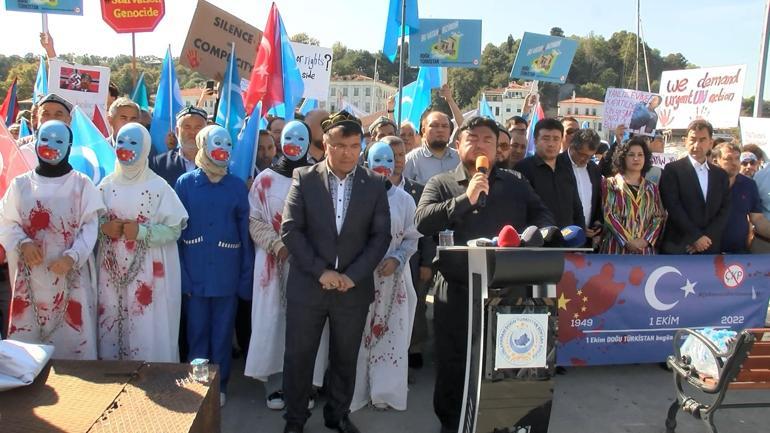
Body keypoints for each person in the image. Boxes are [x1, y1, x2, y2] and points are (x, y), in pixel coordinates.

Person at [415, 116, 554, 433]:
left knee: (502, 361)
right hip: (457, 291)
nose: (480, 145)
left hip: (506, 290)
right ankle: (451, 424)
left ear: (497, 149)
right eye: (472, 138)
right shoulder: (441, 183)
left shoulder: (516, 182)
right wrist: (467, 198)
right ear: (458, 144)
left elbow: (542, 215)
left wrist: (537, 234)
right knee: (454, 364)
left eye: (487, 140)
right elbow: (422, 221)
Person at [280, 111, 391, 433]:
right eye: (340, 145)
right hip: (309, 286)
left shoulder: (373, 183)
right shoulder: (304, 178)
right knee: (299, 357)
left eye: (355, 146)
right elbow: (291, 231)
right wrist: (321, 272)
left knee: (345, 357)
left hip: (352, 289)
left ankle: (337, 415)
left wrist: (352, 276)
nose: (348, 153)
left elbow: (380, 236)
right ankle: (295, 419)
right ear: (325, 145)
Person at [0, 120, 105, 359]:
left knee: (74, 344)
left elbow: (90, 227)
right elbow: (5, 222)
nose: (51, 145)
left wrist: (72, 256)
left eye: (59, 141)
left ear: (69, 145)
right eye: (45, 139)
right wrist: (22, 243)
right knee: (28, 351)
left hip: (70, 278)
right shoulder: (20, 185)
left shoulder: (81, 184)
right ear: (36, 141)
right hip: (31, 280)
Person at [244, 120, 328, 410]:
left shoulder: (319, 176)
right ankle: (276, 386)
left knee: (306, 324)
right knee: (274, 322)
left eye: (300, 136)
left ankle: (304, 387)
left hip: (308, 265)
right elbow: (254, 220)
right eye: (288, 136)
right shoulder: (264, 179)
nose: (294, 142)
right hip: (271, 264)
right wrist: (277, 245)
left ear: (309, 140)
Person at [175, 125, 254, 407]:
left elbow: (245, 233)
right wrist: (181, 277)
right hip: (195, 273)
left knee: (222, 332)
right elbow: (177, 232)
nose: (222, 148)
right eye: (216, 142)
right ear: (203, 145)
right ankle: (198, 381)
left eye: (227, 143)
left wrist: (245, 276)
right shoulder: (185, 183)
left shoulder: (236, 185)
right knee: (196, 330)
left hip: (227, 274)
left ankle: (220, 384)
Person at [96, 123, 188, 362]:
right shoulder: (105, 186)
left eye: (133, 143)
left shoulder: (159, 187)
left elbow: (174, 228)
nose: (126, 148)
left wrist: (141, 232)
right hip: (112, 272)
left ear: (145, 147)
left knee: (146, 325)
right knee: (113, 325)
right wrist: (103, 227)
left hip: (148, 272)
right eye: (121, 142)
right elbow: (88, 225)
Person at [351, 140, 420, 412]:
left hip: (393, 281)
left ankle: (385, 391)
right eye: (376, 159)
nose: (382, 166)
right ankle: (356, 392)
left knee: (390, 335)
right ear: (366, 161)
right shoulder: (355, 195)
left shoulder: (405, 200)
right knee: (357, 335)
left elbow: (412, 238)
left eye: (387, 160)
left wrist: (397, 258)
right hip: (360, 279)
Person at [373, 136, 435, 374]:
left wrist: (426, 261)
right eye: (388, 156)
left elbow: (424, 230)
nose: (395, 161)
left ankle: (403, 361)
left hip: (406, 265)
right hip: (369, 271)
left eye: (399, 155)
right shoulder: (362, 190)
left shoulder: (416, 192)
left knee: (406, 315)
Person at [659, 120, 730, 254]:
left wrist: (706, 238)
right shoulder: (672, 170)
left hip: (710, 247)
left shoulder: (720, 175)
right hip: (679, 246)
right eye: (693, 139)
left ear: (711, 143)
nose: (697, 145)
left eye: (702, 140)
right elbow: (673, 206)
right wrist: (695, 237)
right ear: (685, 141)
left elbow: (724, 210)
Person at [600, 137, 666, 254]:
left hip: (644, 252)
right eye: (631, 155)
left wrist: (646, 240)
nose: (636, 158)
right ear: (623, 157)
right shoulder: (609, 184)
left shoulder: (652, 188)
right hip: (616, 251)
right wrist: (627, 241)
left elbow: (658, 217)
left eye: (640, 155)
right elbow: (609, 215)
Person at [515, 118, 585, 229]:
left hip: (568, 241)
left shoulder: (566, 168)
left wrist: (580, 232)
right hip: (537, 241)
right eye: (546, 138)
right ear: (535, 140)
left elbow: (577, 206)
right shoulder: (523, 169)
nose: (551, 144)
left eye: (556, 139)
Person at [712, 142, 770, 253]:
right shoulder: (706, 184)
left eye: (737, 158)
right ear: (716, 161)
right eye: (728, 159)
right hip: (707, 254)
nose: (734, 163)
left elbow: (757, 219)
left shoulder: (749, 185)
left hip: (739, 254)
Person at [560, 129, 603, 245]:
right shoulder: (557, 165)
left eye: (590, 156)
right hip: (562, 239)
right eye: (582, 154)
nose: (585, 159)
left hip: (586, 242)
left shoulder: (594, 169)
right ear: (572, 146)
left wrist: (597, 222)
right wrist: (578, 226)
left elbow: (598, 200)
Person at [150, 106, 207, 187]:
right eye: (187, 127)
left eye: (198, 127)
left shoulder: (215, 163)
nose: (192, 132)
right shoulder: (160, 163)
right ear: (177, 131)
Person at [403, 110, 460, 184]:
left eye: (445, 126)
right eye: (434, 126)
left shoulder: (460, 158)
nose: (440, 130)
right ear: (423, 131)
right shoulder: (411, 160)